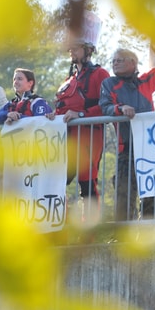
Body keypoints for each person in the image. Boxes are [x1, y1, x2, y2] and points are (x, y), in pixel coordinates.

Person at [99, 48, 155, 222]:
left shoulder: (145, 82)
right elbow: (105, 106)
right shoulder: (109, 83)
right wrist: (121, 108)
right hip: (127, 149)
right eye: (113, 61)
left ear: (133, 63)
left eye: (120, 60)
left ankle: (146, 235)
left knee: (153, 193)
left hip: (151, 148)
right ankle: (122, 237)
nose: (115, 63)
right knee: (124, 194)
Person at [50, 14, 110, 201]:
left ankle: (89, 230)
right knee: (54, 183)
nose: (71, 51)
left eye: (75, 48)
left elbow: (106, 105)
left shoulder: (100, 74)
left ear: (87, 49)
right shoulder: (69, 79)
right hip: (66, 138)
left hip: (88, 136)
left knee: (88, 187)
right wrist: (54, 116)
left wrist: (81, 114)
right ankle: (58, 226)